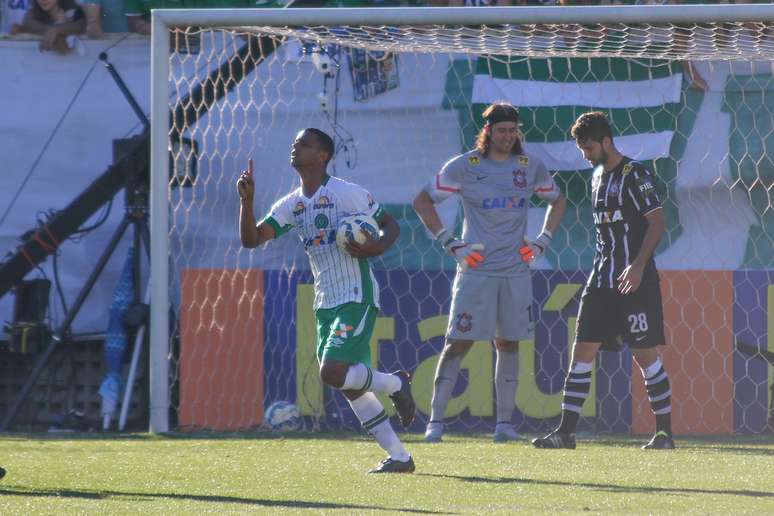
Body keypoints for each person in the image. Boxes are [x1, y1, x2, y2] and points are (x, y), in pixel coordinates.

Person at [238, 128, 417, 474]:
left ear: (323, 156)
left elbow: (390, 225)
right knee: (349, 384)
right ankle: (400, 457)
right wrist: (246, 201)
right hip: (325, 301)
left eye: (304, 143)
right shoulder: (291, 204)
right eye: (295, 142)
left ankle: (396, 383)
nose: (296, 146)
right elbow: (252, 239)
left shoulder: (347, 193)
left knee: (332, 372)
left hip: (356, 294)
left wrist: (375, 247)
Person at [413, 102, 567, 443]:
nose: (508, 136)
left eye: (513, 131)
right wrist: (450, 243)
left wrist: (542, 241)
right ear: (488, 132)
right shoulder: (466, 166)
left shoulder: (529, 167)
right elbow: (422, 200)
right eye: (502, 131)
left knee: (509, 344)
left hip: (515, 271)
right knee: (458, 343)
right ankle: (435, 424)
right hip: (476, 271)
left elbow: (559, 201)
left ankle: (504, 426)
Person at [532, 111, 675, 450]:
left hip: (634, 283)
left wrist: (638, 266)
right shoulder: (596, 176)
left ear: (606, 141)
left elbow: (656, 223)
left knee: (645, 355)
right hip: (600, 282)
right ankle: (566, 433)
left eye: (588, 147)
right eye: (581, 148)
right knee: (581, 352)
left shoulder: (635, 174)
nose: (584, 153)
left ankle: (665, 434)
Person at [11, 0, 85, 54]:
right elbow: (28, 22)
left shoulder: (72, 9)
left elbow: (83, 24)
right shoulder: (35, 11)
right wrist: (53, 31)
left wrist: (57, 29)